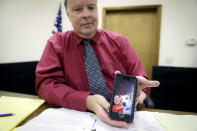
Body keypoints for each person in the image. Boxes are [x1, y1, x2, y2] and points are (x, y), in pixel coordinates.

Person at [36, 0, 160, 127]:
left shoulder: (120, 41)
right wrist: (86, 100)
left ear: (97, 9)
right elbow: (46, 85)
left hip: (123, 115)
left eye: (91, 7)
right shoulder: (56, 44)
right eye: (78, 9)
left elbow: (139, 76)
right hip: (77, 118)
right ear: (68, 15)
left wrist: (138, 89)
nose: (86, 14)